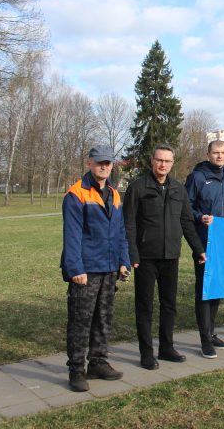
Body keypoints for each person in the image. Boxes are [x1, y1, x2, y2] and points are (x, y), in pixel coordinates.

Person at [124, 144, 205, 370]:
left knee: (169, 305)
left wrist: (198, 249)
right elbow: (128, 223)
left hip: (171, 256)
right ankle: (146, 353)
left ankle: (166, 347)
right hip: (145, 257)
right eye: (159, 160)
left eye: (167, 161)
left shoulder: (178, 189)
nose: (163, 164)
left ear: (172, 163)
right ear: (152, 161)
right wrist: (132, 253)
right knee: (145, 307)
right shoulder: (138, 187)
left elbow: (186, 221)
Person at [61, 145, 130, 392]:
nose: (104, 166)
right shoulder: (76, 193)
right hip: (86, 270)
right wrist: (75, 269)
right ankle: (76, 369)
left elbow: (120, 232)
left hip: (109, 267)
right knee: (80, 321)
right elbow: (72, 235)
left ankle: (98, 362)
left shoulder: (114, 194)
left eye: (108, 162)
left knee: (103, 318)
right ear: (89, 163)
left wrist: (123, 261)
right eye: (99, 162)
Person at [185, 140, 224, 358]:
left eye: (223, 152)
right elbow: (187, 206)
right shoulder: (197, 177)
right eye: (215, 152)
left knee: (217, 288)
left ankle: (211, 333)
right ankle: (204, 340)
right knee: (204, 290)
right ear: (208, 154)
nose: (219, 156)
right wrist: (200, 217)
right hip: (204, 242)